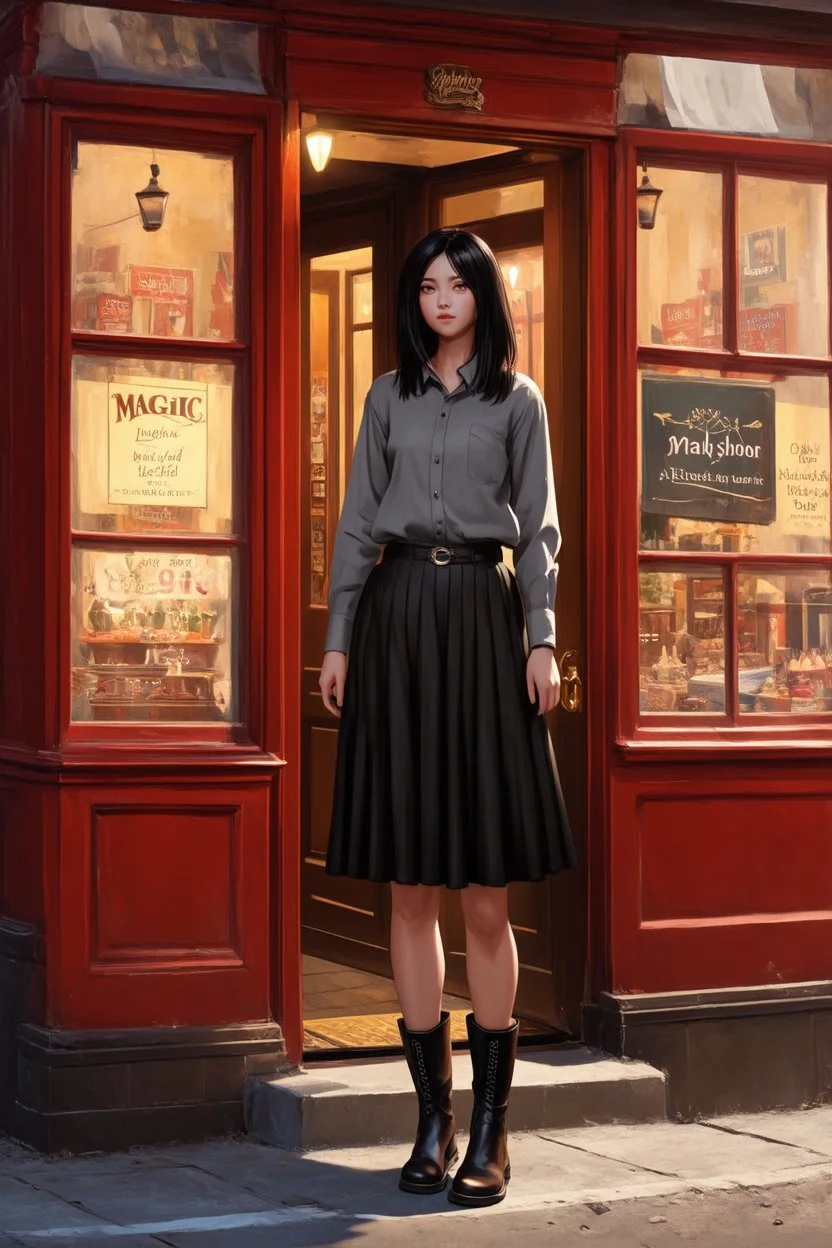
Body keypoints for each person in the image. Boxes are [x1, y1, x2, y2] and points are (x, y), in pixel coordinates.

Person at [319, 227, 575, 1208]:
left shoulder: (519, 400)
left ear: (482, 296)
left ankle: (493, 1128)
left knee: (483, 895)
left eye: (456, 284)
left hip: (481, 618)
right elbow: (356, 521)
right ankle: (432, 1121)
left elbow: (538, 528)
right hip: (396, 625)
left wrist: (541, 638)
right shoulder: (386, 397)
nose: (440, 299)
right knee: (410, 887)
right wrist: (339, 638)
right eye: (426, 285)